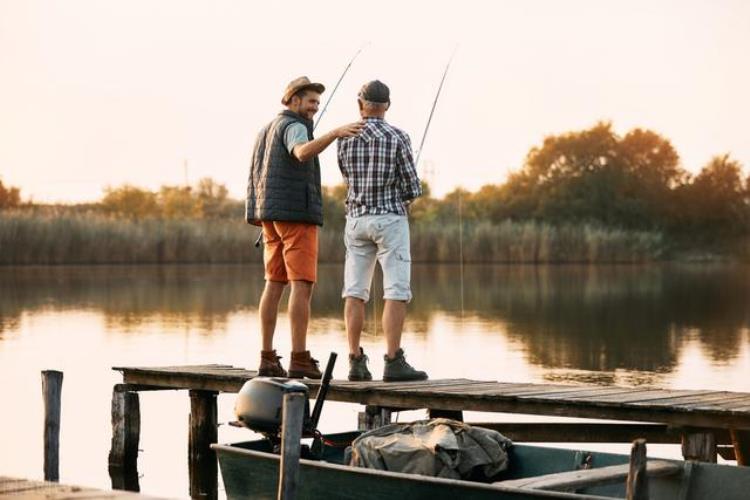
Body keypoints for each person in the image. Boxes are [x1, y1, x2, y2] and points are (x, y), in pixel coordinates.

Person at [247, 76, 363, 378]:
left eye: (317, 103)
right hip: (295, 215)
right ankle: (299, 357)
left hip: (269, 216)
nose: (314, 107)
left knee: (274, 284)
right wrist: (334, 133)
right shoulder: (294, 127)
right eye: (311, 101)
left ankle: (267, 357)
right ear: (294, 99)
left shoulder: (266, 129)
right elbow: (301, 153)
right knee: (302, 284)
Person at [336, 80, 428, 382]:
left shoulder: (344, 138)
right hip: (390, 220)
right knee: (396, 290)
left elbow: (346, 177)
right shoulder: (398, 136)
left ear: (360, 103)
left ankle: (355, 361)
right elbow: (413, 186)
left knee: (354, 291)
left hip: (356, 220)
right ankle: (392, 361)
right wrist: (404, 196)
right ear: (387, 105)